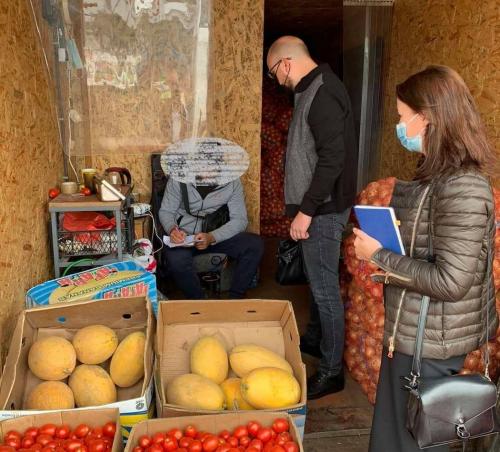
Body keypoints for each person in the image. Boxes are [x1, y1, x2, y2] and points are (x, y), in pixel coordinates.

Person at [353, 65, 498, 451]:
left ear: (428, 118)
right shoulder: (437, 178)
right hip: (412, 335)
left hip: (431, 344)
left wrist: (379, 254)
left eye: (403, 117)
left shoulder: (465, 187)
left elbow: (451, 281)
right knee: (392, 436)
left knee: (411, 441)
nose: (400, 126)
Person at [266, 36, 359, 399]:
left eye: (274, 73)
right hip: (318, 209)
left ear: (286, 64)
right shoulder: (311, 90)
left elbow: (332, 160)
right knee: (319, 282)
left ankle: (332, 372)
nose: (277, 81)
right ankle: (317, 340)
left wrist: (305, 212)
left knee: (324, 290)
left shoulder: (323, 92)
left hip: (322, 211)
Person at [159, 177, 264, 299]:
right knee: (177, 260)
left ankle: (235, 299)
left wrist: (212, 237)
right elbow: (166, 211)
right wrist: (173, 230)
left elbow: (239, 220)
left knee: (254, 244)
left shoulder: (232, 181)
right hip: (184, 238)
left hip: (216, 234)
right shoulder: (178, 178)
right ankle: (198, 301)